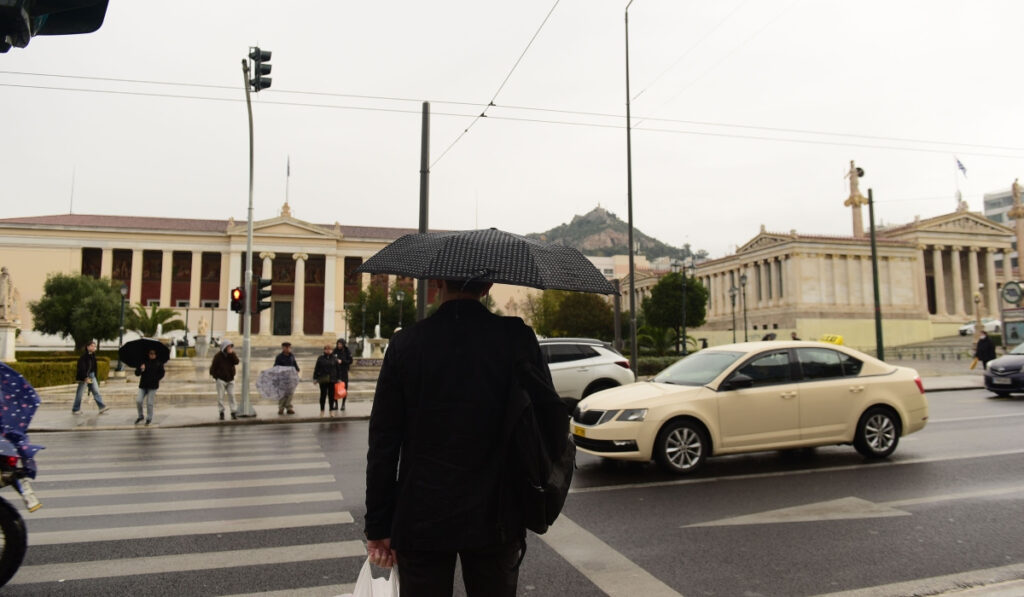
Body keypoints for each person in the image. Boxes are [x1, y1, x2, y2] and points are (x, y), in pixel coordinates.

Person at [365, 278, 561, 596]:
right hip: (498, 510)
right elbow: (547, 418)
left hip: (421, 512)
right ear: (487, 286)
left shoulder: (406, 344)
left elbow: (383, 444)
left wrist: (378, 525)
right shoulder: (516, 338)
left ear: (438, 283)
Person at [72, 340, 109, 415]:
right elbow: (81, 368)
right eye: (92, 346)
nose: (94, 347)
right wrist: (85, 377)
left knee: (96, 391)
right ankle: (76, 409)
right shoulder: (83, 357)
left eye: (94, 346)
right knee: (80, 393)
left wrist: (95, 376)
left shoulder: (93, 356)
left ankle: (101, 407)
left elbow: (94, 368)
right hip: (85, 377)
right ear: (87, 347)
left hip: (92, 376)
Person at [209, 340, 239, 421]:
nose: (230, 348)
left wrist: (231, 354)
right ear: (224, 347)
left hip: (230, 379)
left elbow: (237, 362)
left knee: (232, 396)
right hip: (221, 380)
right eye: (228, 346)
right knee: (220, 397)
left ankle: (233, 412)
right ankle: (221, 412)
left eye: (230, 346)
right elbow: (213, 368)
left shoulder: (232, 354)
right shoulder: (218, 356)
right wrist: (216, 377)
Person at [135, 349, 165, 425]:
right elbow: (137, 373)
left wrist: (156, 379)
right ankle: (140, 416)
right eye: (150, 353)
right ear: (148, 354)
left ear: (156, 355)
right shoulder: (144, 362)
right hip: (143, 385)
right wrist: (141, 369)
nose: (152, 355)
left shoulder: (159, 363)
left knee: (149, 403)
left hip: (153, 386)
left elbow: (162, 373)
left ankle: (149, 418)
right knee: (138, 400)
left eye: (153, 354)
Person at [313, 345, 340, 418]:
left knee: (331, 396)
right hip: (323, 379)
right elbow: (317, 368)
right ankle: (322, 411)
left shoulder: (334, 358)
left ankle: (331, 410)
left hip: (332, 379)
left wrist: (338, 378)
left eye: (330, 349)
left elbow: (338, 369)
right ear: (324, 350)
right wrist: (315, 378)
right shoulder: (320, 358)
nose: (328, 351)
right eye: (326, 349)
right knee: (323, 395)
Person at [274, 342, 299, 415]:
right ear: (283, 348)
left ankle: (289, 407)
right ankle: (281, 408)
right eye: (286, 347)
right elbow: (276, 366)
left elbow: (294, 364)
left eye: (289, 347)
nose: (288, 349)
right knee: (282, 393)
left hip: (291, 377)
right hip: (282, 378)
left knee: (290, 393)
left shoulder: (292, 356)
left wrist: (297, 369)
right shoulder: (279, 357)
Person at [332, 338, 353, 411]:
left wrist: (342, 361)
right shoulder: (335, 350)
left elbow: (350, 361)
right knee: (335, 388)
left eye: (340, 344)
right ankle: (336, 404)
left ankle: (343, 404)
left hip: (344, 372)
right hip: (336, 372)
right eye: (338, 344)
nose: (339, 345)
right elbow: (332, 358)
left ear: (343, 344)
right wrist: (335, 361)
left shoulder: (347, 351)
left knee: (344, 388)